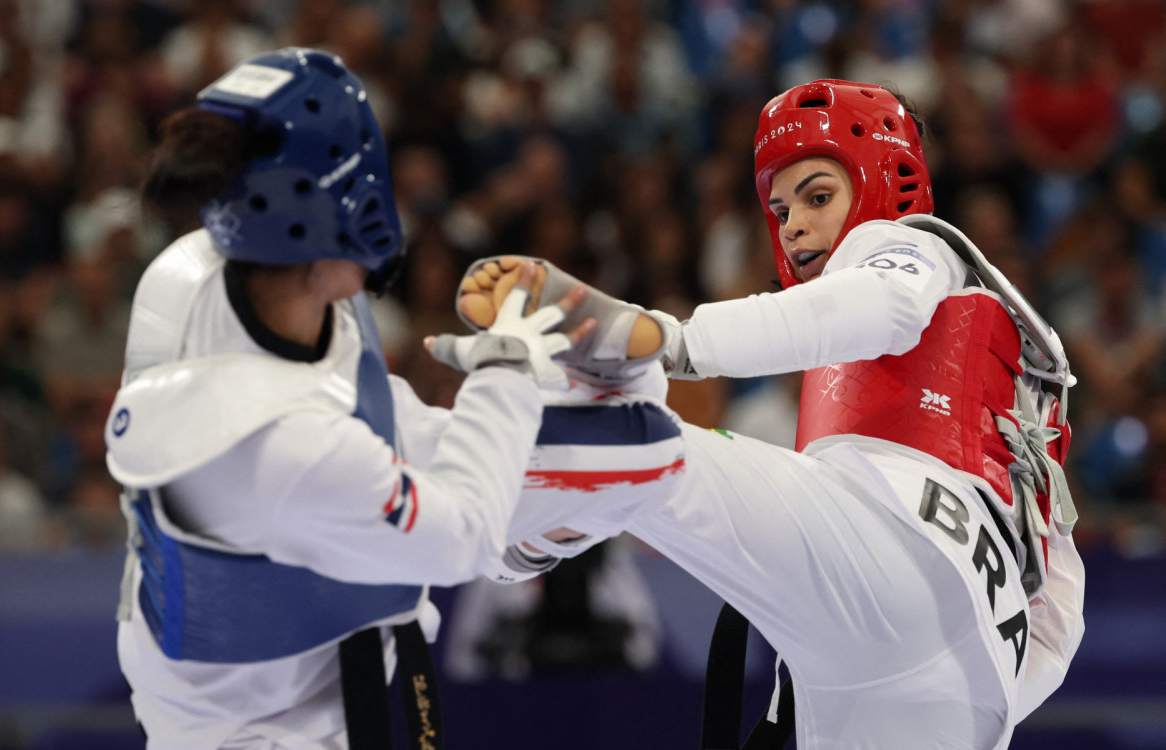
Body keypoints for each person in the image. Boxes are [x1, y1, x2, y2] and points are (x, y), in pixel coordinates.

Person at [449, 80, 1085, 748]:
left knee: (651, 448)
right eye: (780, 210)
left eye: (818, 196)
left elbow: (886, 306)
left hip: (916, 549)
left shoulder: (912, 247)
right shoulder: (1015, 384)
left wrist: (675, 342)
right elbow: (1058, 616)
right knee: (656, 463)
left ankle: (534, 487)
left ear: (883, 183)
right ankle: (561, 499)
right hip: (959, 686)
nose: (793, 225)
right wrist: (982, 678)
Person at [103, 48, 597, 750]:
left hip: (307, 678)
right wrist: (509, 363)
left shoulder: (200, 279)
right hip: (249, 730)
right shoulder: (273, 440)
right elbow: (458, 536)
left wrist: (556, 473)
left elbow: (379, 426)